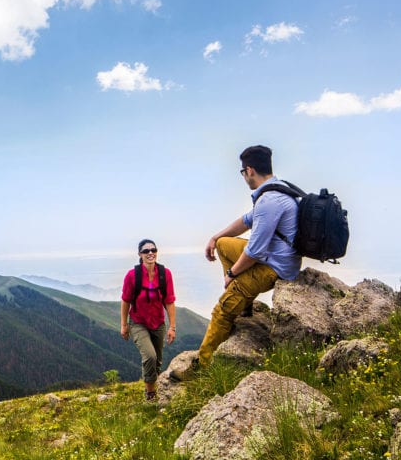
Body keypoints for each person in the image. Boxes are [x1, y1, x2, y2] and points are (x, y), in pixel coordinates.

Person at [197, 145, 302, 365]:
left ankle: (202, 365)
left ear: (250, 170)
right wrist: (215, 238)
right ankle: (245, 306)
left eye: (243, 172)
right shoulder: (279, 190)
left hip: (273, 268)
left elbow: (254, 252)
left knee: (222, 312)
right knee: (225, 244)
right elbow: (246, 221)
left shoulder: (269, 201)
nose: (244, 176)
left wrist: (232, 274)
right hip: (277, 258)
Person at [120, 239, 177, 400]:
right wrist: (124, 325)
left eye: (153, 250)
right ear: (140, 254)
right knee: (150, 357)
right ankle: (150, 394)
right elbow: (125, 301)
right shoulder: (132, 276)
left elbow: (169, 301)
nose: (150, 253)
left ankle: (153, 385)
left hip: (158, 323)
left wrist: (172, 327)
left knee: (157, 360)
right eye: (146, 251)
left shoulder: (165, 274)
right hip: (138, 323)